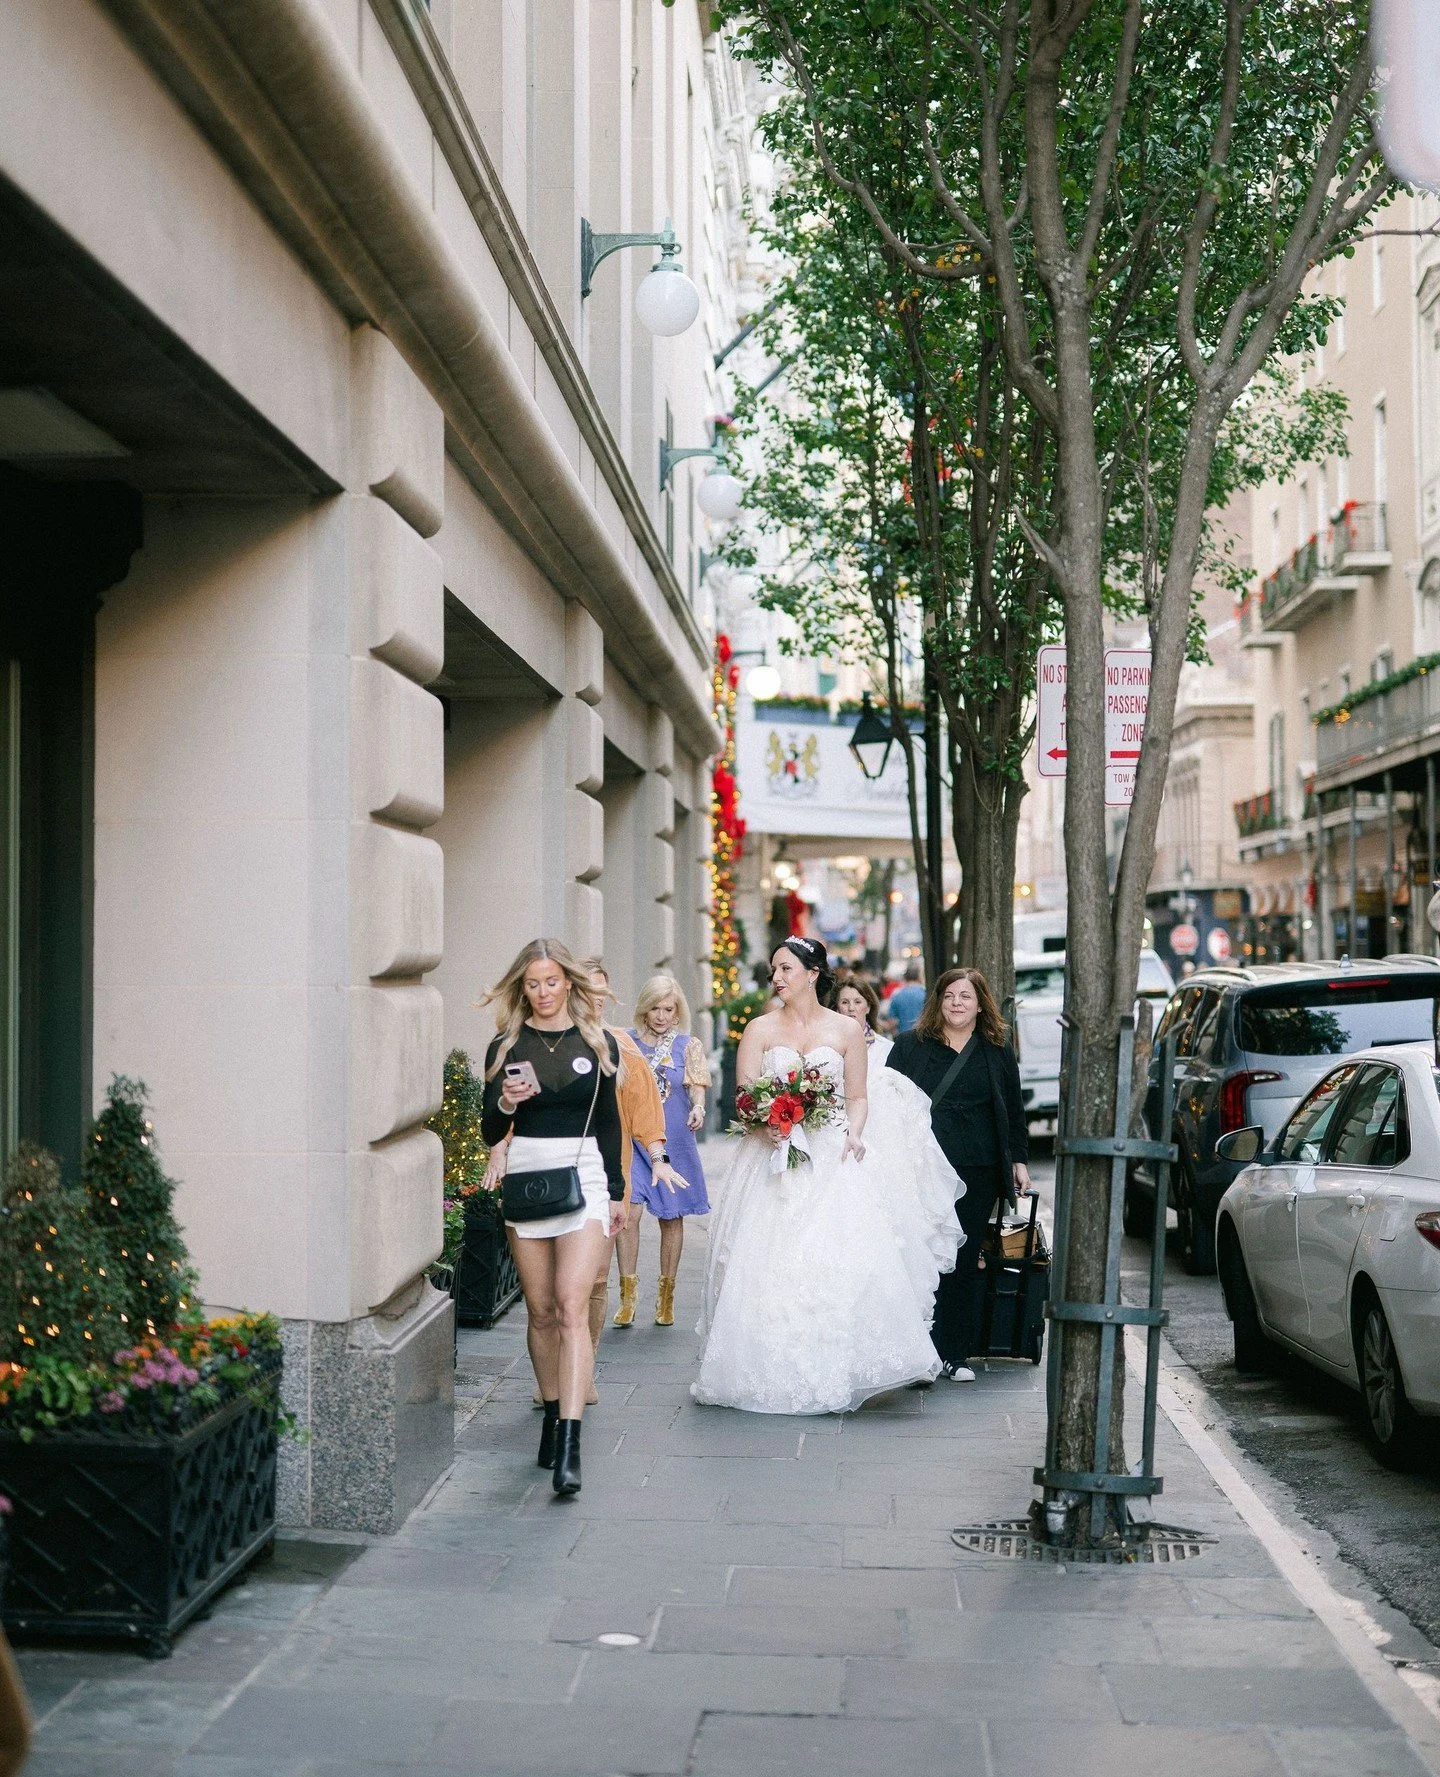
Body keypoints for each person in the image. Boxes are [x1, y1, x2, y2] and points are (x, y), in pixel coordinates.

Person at [694, 936, 942, 1413]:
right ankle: (765, 1361)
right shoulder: (759, 1030)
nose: (777, 979)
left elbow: (857, 1097)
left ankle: (836, 1361)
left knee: (837, 1256)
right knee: (765, 1258)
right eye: (773, 971)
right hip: (771, 1154)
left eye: (786, 969)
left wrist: (855, 1132)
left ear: (813, 974)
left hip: (829, 1153)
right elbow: (744, 1096)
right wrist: (767, 1121)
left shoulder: (846, 1031)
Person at [480, 940, 625, 1495]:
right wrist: (508, 1103)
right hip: (528, 1173)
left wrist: (614, 1191)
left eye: (551, 981)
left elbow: (609, 1121)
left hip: (584, 1171)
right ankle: (549, 1413)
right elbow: (491, 1133)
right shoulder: (506, 1044)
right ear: (524, 988)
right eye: (532, 984)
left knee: (570, 1305)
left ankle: (570, 1443)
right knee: (539, 1312)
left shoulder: (597, 1040)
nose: (542, 992)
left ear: (568, 982)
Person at [508, 959, 671, 1404]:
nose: (596, 1002)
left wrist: (658, 1158)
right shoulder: (542, 1043)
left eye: (603, 994)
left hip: (603, 1176)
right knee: (546, 1298)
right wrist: (499, 1148)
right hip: (544, 1177)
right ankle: (553, 1380)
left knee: (593, 1280)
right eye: (589, 993)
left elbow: (644, 1114)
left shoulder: (620, 1049)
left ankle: (583, 1365)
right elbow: (515, 1108)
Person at [887, 967, 1031, 1382]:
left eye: (965, 996)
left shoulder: (995, 1049)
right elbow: (888, 1104)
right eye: (949, 995)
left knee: (964, 1258)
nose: (956, 1003)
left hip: (977, 1166)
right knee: (920, 1254)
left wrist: (1018, 1159)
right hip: (922, 1166)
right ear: (938, 1000)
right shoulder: (910, 1046)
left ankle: (954, 1352)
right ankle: (916, 1351)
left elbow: (1012, 1109)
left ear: (980, 1003)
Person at [833, 978, 962, 1316]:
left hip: (882, 1145)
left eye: (857, 1003)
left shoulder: (888, 1051)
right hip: (839, 1141)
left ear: (869, 1007)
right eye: (844, 1003)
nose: (850, 1010)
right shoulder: (827, 1047)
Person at [616, 973, 711, 1329]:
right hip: (635, 1140)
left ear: (677, 1011)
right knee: (630, 1213)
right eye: (654, 1007)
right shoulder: (625, 1043)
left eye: (668, 1009)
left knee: (673, 1216)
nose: (660, 1015)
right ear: (644, 1008)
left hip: (674, 1140)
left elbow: (696, 1086)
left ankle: (666, 1295)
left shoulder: (689, 1045)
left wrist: (698, 1107)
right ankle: (627, 1297)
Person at [887, 959, 927, 1033]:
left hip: (903, 1037)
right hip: (923, 1036)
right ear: (919, 977)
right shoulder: (925, 994)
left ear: (905, 977)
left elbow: (892, 1022)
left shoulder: (897, 995)